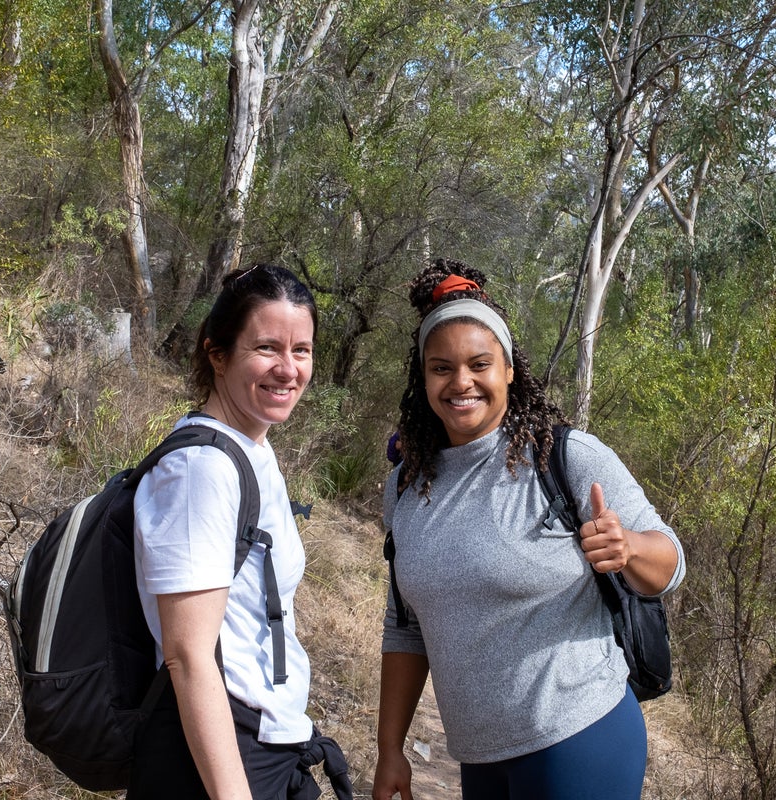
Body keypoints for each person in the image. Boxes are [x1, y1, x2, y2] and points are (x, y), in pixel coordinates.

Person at [373, 259, 685, 800]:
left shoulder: (566, 457)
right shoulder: (405, 486)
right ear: (422, 377)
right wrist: (389, 749)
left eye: (479, 364)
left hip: (579, 738)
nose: (461, 382)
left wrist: (627, 547)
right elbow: (405, 627)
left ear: (510, 369)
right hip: (478, 758)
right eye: (441, 368)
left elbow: (671, 563)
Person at [130, 263, 353, 800]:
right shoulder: (201, 469)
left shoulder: (252, 447)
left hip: (265, 742)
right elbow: (188, 656)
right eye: (267, 348)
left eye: (302, 350)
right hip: (219, 757)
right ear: (217, 353)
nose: (288, 368)